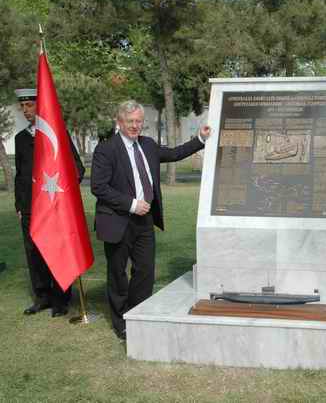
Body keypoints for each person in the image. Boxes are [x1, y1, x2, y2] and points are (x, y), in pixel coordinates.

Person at [91, 100, 211, 340]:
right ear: (119, 122)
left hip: (144, 222)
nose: (135, 126)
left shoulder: (147, 145)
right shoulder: (106, 149)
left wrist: (200, 138)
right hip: (117, 220)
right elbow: (99, 187)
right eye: (130, 122)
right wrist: (132, 204)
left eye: (138, 121)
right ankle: (120, 322)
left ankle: (139, 314)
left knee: (145, 272)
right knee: (118, 274)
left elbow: (175, 153)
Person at [14, 88, 85, 317]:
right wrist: (18, 204)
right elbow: (20, 173)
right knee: (33, 251)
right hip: (29, 207)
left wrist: (65, 192)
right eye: (23, 106)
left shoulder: (57, 133)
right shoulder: (20, 138)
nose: (26, 110)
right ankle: (42, 296)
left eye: (30, 105)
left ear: (40, 105)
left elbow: (77, 167)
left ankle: (61, 299)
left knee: (56, 249)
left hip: (54, 204)